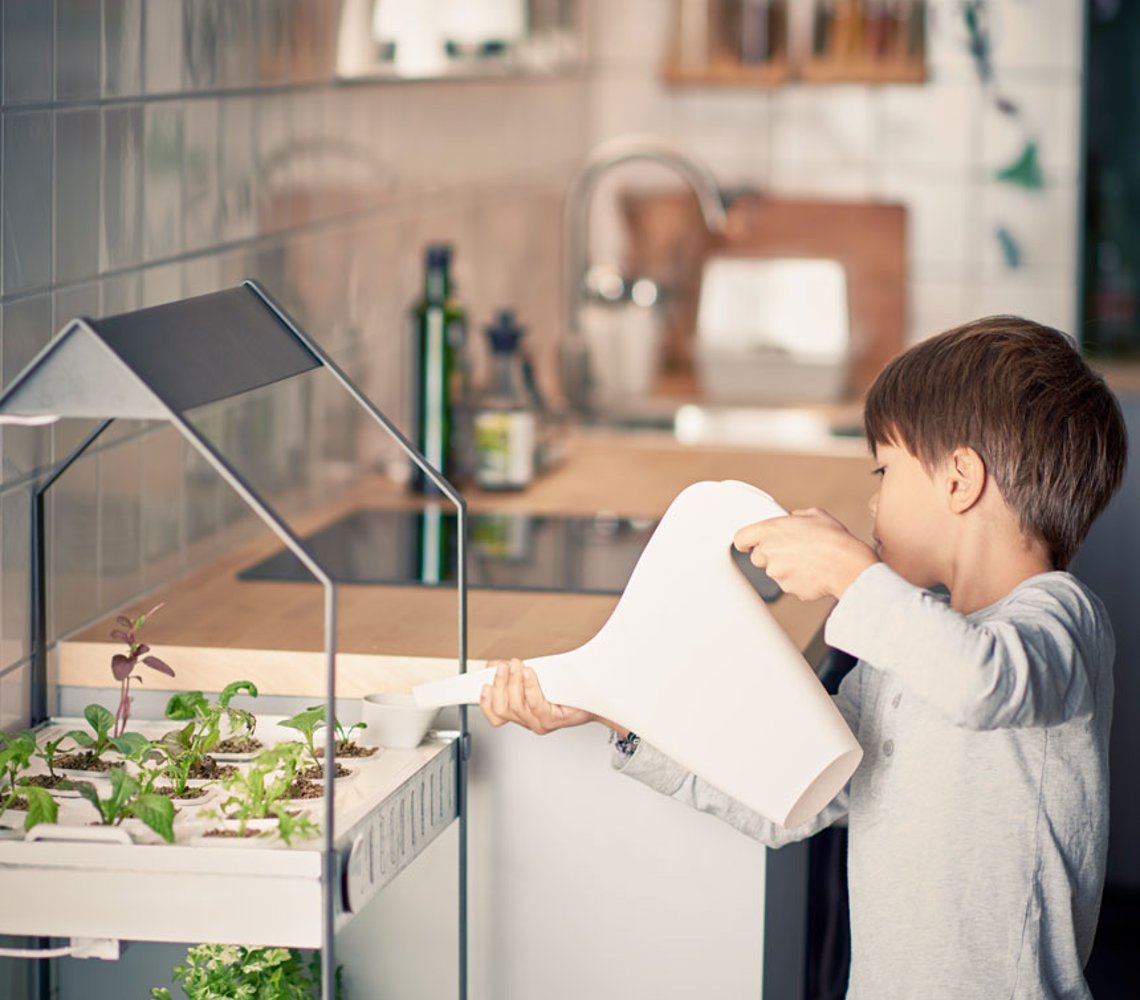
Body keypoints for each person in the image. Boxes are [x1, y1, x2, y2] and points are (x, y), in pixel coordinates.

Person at [478, 316, 1128, 999]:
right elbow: (793, 795)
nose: (874, 499)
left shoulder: (1061, 621)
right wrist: (627, 720)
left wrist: (850, 573)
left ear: (960, 478)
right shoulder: (902, 655)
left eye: (886, 469)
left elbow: (982, 685)